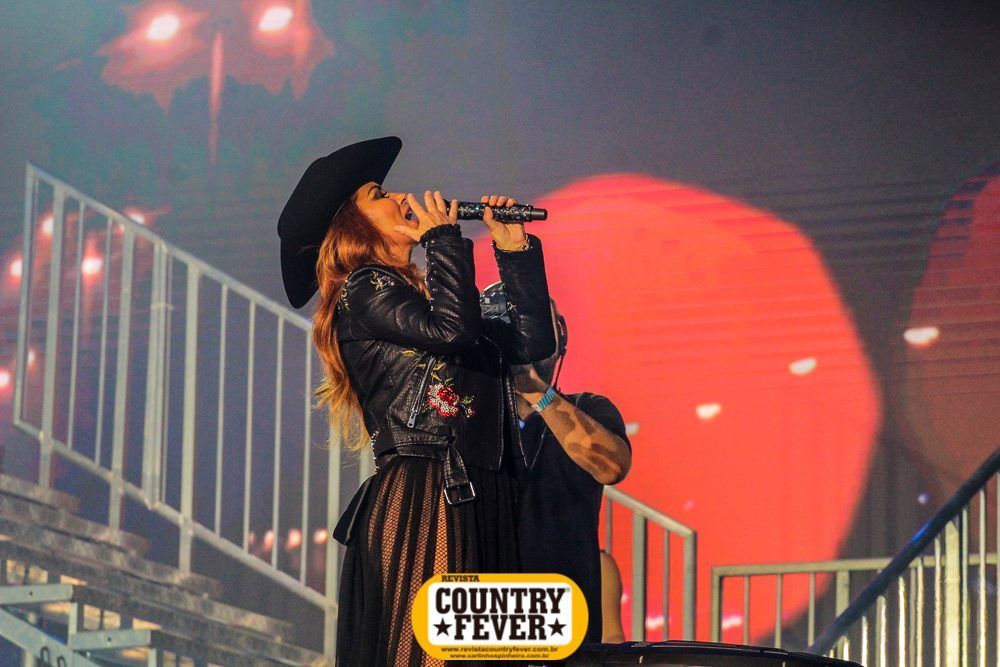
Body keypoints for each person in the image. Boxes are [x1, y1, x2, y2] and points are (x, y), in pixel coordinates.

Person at [276, 136, 556, 666]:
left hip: (485, 490)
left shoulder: (430, 297)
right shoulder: (365, 288)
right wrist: (444, 238)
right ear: (353, 227)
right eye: (380, 195)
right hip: (430, 489)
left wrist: (514, 251)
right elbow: (452, 332)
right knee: (427, 656)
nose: (403, 197)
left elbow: (531, 344)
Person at [497, 296, 632, 645]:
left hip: (562, 615)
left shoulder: (589, 408)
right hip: (488, 613)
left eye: (540, 324)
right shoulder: (471, 422)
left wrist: (534, 390)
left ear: (560, 335)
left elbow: (612, 467)